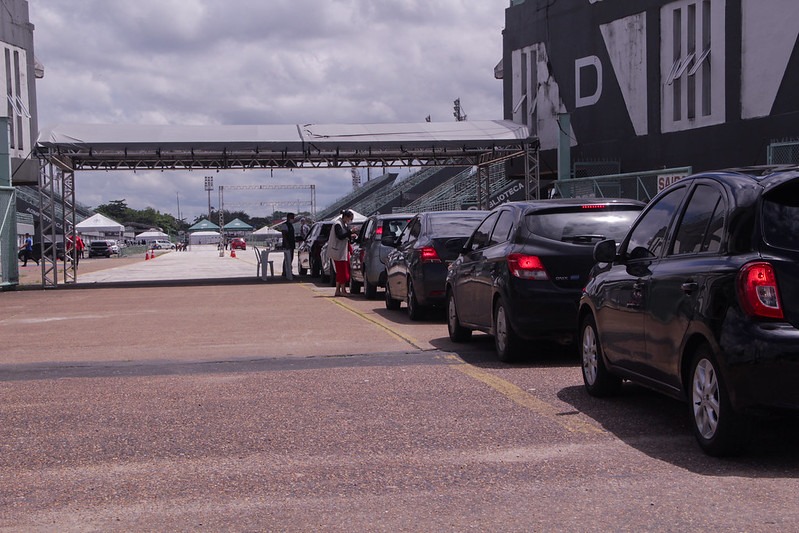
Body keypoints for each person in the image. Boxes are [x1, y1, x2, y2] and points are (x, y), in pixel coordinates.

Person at [327, 210, 355, 296]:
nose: (349, 221)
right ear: (345, 217)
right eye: (349, 219)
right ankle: (342, 290)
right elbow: (340, 236)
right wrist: (350, 232)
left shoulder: (343, 224)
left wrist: (350, 234)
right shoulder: (338, 225)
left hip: (342, 251)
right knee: (343, 271)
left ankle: (338, 290)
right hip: (338, 251)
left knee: (340, 272)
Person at [280, 212, 296, 280]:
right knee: (287, 258)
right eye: (292, 217)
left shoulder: (291, 225)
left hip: (291, 244)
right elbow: (284, 235)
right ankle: (285, 271)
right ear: (288, 218)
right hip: (288, 244)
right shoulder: (285, 225)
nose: (293, 219)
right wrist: (286, 244)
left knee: (291, 258)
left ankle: (289, 271)